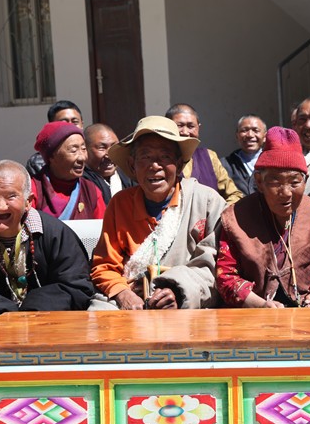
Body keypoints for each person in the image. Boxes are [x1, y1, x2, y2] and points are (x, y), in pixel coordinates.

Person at [0, 160, 93, 381]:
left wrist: (31, 311)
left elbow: (77, 287)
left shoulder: (56, 234)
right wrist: (5, 315)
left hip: (50, 330)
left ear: (29, 201)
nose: (0, 206)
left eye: (11, 196)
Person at [91, 116, 227, 310]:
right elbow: (105, 266)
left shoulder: (206, 202)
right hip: (132, 299)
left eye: (165, 157)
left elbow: (214, 267)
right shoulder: (120, 204)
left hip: (188, 303)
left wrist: (178, 291)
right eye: (145, 157)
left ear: (179, 165)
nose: (155, 166)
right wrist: (124, 294)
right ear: (132, 165)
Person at [216, 127, 310, 308]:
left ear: (305, 180)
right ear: (259, 182)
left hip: (307, 311)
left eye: (294, 182)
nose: (286, 193)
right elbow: (226, 275)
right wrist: (259, 304)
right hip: (253, 313)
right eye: (275, 182)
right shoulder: (236, 216)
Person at [166, 103, 243, 204]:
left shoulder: (209, 157)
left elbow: (235, 195)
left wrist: (220, 211)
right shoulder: (158, 160)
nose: (185, 132)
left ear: (199, 128)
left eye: (191, 126)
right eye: (179, 126)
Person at [30, 121, 105, 220]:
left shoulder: (91, 192)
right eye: (73, 150)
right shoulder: (34, 190)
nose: (82, 158)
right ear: (52, 156)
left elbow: (102, 226)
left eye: (83, 149)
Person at [26, 100, 84, 176]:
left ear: (82, 124)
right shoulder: (39, 164)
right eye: (64, 123)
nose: (70, 127)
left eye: (75, 122)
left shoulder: (92, 154)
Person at [83, 123, 135, 204]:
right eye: (102, 148)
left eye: (114, 147)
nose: (109, 155)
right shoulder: (81, 182)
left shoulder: (129, 177)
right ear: (85, 149)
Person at [220, 115, 267, 196]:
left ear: (265, 136)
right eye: (244, 130)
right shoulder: (224, 164)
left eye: (255, 130)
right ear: (237, 135)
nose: (250, 135)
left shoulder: (273, 162)